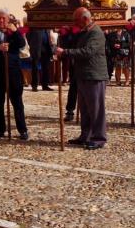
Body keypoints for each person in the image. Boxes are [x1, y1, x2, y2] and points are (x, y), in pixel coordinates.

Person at [55, 8, 108, 150]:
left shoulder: (96, 32)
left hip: (94, 75)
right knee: (85, 109)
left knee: (96, 109)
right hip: (83, 75)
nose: (75, 23)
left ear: (85, 19)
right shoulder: (84, 32)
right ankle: (86, 135)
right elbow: (74, 45)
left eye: (77, 20)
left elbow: (87, 52)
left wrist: (65, 52)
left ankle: (98, 138)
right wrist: (65, 36)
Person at [0, 8, 28, 139]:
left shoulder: (13, 31)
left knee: (17, 102)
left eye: (4, 18)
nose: (1, 20)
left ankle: (22, 130)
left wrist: (15, 32)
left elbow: (21, 44)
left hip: (13, 71)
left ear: (8, 19)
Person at [27, 24, 53, 91]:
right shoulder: (34, 26)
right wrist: (32, 46)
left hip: (46, 50)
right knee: (35, 68)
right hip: (36, 49)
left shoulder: (47, 28)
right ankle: (34, 85)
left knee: (46, 68)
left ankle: (45, 85)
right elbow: (28, 36)